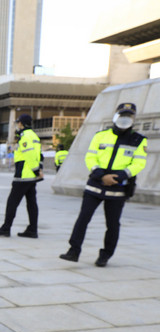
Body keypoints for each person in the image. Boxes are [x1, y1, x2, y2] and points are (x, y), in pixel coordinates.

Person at [59, 103, 147, 267]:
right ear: (115, 116)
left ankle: (105, 255)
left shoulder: (139, 140)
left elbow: (138, 164)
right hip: (95, 185)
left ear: (133, 118)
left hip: (118, 188)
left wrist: (119, 176)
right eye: (122, 115)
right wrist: (101, 175)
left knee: (112, 224)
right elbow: (90, 158)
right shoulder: (100, 136)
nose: (125, 119)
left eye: (129, 116)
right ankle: (73, 251)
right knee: (83, 218)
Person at [0, 113, 43, 238]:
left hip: (23, 176)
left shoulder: (25, 136)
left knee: (12, 202)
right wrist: (39, 169)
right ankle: (32, 229)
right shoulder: (34, 136)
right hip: (31, 177)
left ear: (21, 123)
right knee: (31, 203)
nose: (17, 125)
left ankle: (6, 228)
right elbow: (39, 155)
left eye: (17, 122)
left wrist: (36, 170)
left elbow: (30, 155)